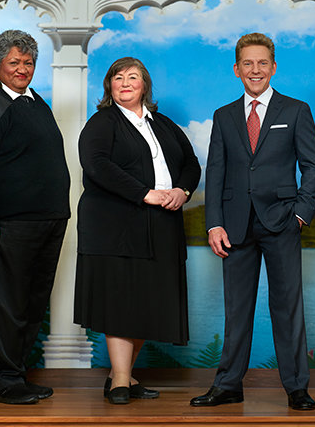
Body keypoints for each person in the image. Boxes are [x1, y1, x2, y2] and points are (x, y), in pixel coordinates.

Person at [190, 33, 315, 411]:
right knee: (237, 309)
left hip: (282, 221)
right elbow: (215, 173)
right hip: (234, 226)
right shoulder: (224, 115)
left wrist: (301, 212)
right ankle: (228, 385)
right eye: (247, 63)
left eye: (262, 62)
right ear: (236, 69)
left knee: (288, 306)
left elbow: (312, 166)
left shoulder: (296, 110)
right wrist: (213, 224)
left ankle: (297, 387)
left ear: (273, 67)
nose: (255, 69)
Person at [74, 57, 200, 405]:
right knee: (120, 302)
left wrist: (183, 191)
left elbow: (190, 163)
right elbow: (96, 164)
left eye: (133, 77)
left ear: (145, 85)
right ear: (109, 86)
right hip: (115, 226)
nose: (125, 83)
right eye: (118, 78)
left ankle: (123, 375)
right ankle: (120, 382)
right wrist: (144, 193)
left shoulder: (164, 124)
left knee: (147, 301)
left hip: (161, 224)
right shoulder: (102, 122)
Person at [0, 30, 70, 404]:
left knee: (30, 305)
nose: (23, 69)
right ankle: (2, 381)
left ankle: (17, 375)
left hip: (46, 221)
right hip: (8, 225)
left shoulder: (32, 100)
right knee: (6, 305)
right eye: (14, 62)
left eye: (28, 62)